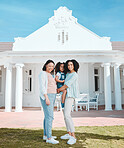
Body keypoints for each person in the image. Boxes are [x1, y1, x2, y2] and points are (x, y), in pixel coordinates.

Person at [57, 59, 80, 145]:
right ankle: (69, 133)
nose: (70, 66)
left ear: (74, 65)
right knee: (65, 115)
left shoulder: (74, 75)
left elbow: (67, 85)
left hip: (70, 96)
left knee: (67, 115)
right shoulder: (67, 74)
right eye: (68, 65)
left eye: (71, 65)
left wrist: (58, 90)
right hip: (65, 96)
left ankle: (73, 136)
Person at [39, 60, 59, 144]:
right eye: (49, 66)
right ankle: (49, 138)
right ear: (46, 65)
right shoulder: (43, 73)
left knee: (47, 116)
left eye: (52, 66)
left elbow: (51, 85)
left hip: (52, 95)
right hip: (48, 96)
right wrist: (46, 97)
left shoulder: (50, 74)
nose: (51, 67)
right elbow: (42, 86)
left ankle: (46, 135)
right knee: (50, 117)